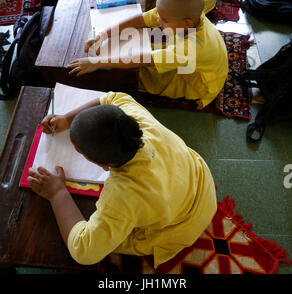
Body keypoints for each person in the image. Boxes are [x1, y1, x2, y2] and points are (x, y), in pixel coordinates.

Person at [28, 90, 217, 267]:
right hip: (200, 180)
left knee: (117, 239)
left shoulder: (123, 195)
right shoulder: (138, 119)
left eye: (78, 150)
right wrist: (68, 119)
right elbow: (114, 96)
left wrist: (57, 193)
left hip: (183, 224)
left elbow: (83, 251)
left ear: (103, 165)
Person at [67, 0, 228, 110]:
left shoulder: (191, 48)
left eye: (164, 20)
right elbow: (142, 20)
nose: (158, 21)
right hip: (200, 59)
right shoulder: (188, 16)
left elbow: (143, 59)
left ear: (187, 23)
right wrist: (104, 34)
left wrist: (98, 62)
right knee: (145, 43)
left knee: (142, 74)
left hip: (200, 81)